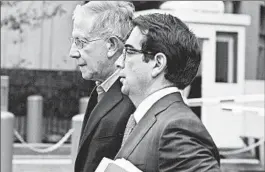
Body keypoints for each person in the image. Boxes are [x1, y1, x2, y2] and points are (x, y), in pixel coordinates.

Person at [115, 13, 221, 171]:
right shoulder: (157, 119)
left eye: (129, 51)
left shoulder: (176, 127)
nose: (118, 62)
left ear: (158, 64)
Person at [69, 2, 135, 172]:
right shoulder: (102, 90)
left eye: (80, 41)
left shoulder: (133, 99)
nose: (72, 52)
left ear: (112, 45)